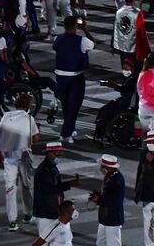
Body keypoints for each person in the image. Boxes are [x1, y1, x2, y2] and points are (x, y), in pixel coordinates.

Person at [0, 92, 38, 232]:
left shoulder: (6, 117)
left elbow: (0, 135)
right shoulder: (29, 119)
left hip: (9, 157)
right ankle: (28, 214)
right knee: (27, 186)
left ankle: (12, 222)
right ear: (27, 105)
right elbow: (35, 139)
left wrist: (0, 154)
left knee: (10, 190)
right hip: (25, 156)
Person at [51, 14, 94, 144]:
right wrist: (85, 29)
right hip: (75, 77)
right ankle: (65, 133)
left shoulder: (57, 39)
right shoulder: (82, 41)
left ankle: (70, 127)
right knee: (73, 107)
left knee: (66, 105)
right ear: (76, 26)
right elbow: (93, 44)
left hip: (60, 76)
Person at [88, 154, 125, 246]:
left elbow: (114, 202)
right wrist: (99, 196)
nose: (100, 167)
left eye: (102, 166)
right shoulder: (110, 176)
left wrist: (99, 200)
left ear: (107, 167)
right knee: (100, 243)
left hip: (112, 218)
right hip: (105, 218)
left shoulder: (116, 181)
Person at [33, 140, 69, 230]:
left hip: (52, 209)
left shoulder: (52, 167)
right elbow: (49, 189)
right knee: (45, 239)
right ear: (50, 153)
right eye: (57, 154)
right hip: (45, 212)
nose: (59, 156)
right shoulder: (44, 170)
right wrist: (69, 184)